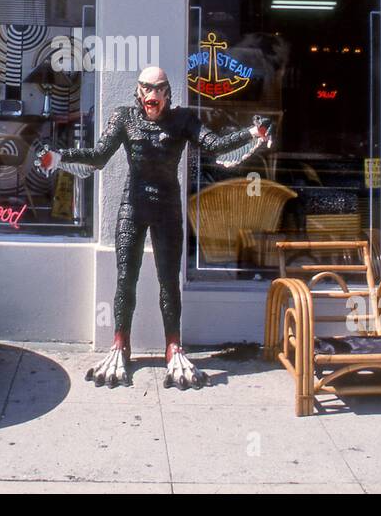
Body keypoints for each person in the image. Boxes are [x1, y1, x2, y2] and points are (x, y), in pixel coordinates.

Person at [36, 65, 271, 388]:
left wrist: (250, 134)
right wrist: (60, 157)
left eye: (159, 88)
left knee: (169, 280)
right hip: (132, 206)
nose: (153, 95)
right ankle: (120, 344)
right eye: (147, 88)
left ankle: (173, 347)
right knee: (125, 278)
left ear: (168, 93)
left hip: (168, 208)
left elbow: (214, 145)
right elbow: (99, 155)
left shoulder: (183, 120)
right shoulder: (124, 117)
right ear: (138, 91)